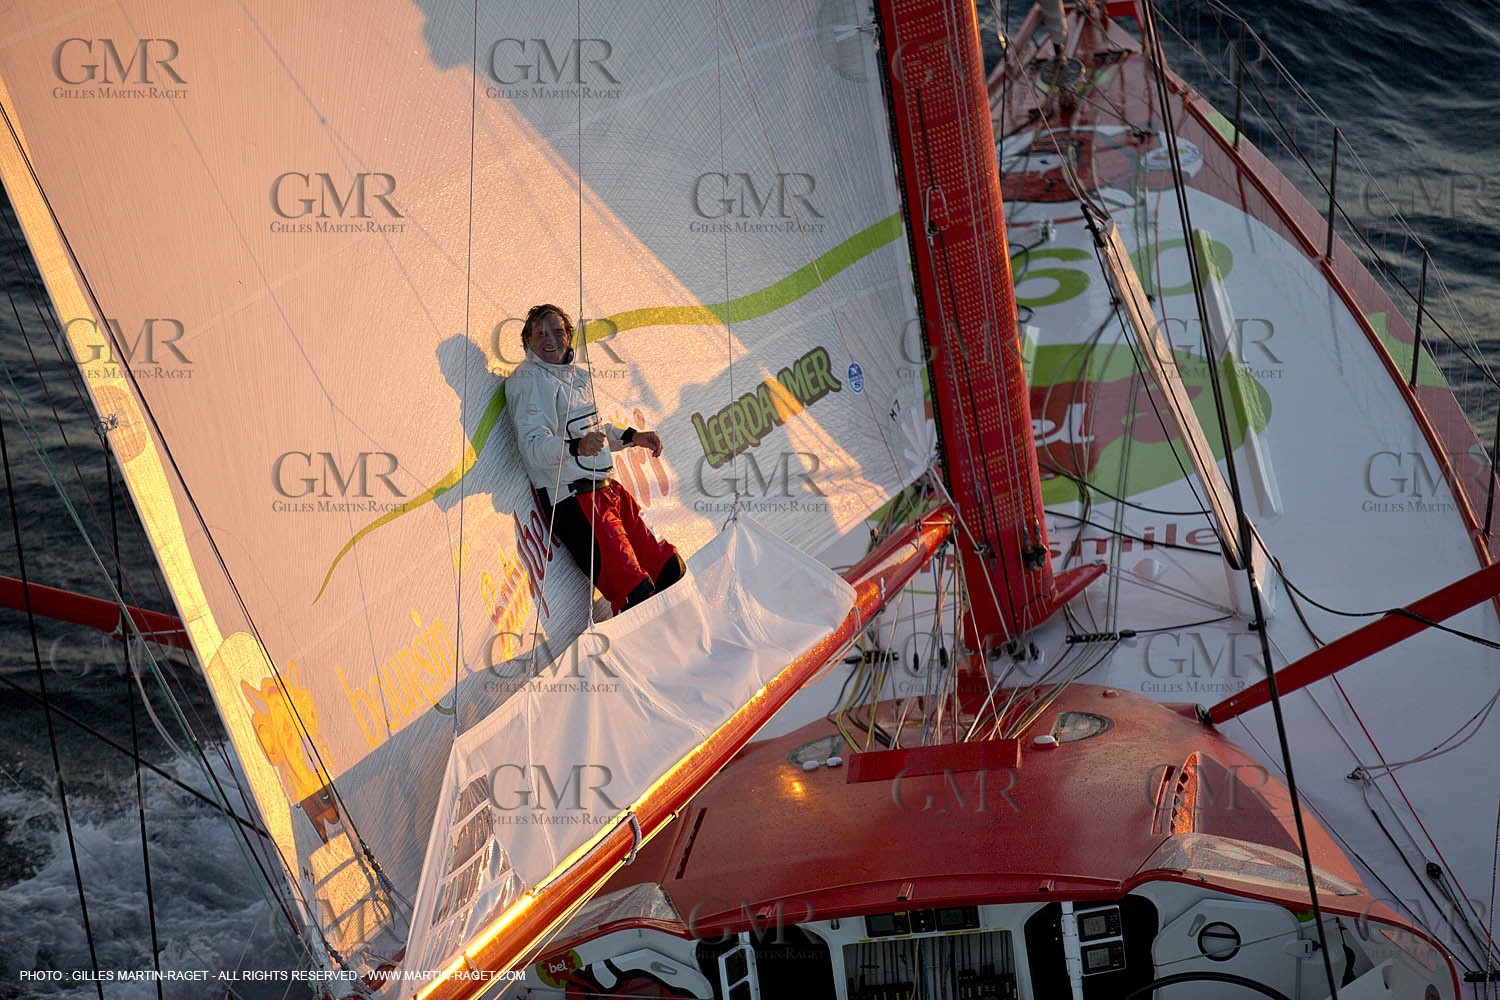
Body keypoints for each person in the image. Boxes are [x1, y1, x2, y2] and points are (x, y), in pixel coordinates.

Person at [506, 303, 685, 614]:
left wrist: (631, 437)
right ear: (527, 342)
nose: (550, 339)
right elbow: (534, 449)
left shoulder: (578, 375)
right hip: (573, 499)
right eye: (540, 334)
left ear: (569, 337)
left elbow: (594, 432)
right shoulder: (526, 380)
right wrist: (575, 448)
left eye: (557, 331)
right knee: (635, 592)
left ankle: (695, 640)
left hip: (607, 489)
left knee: (670, 568)